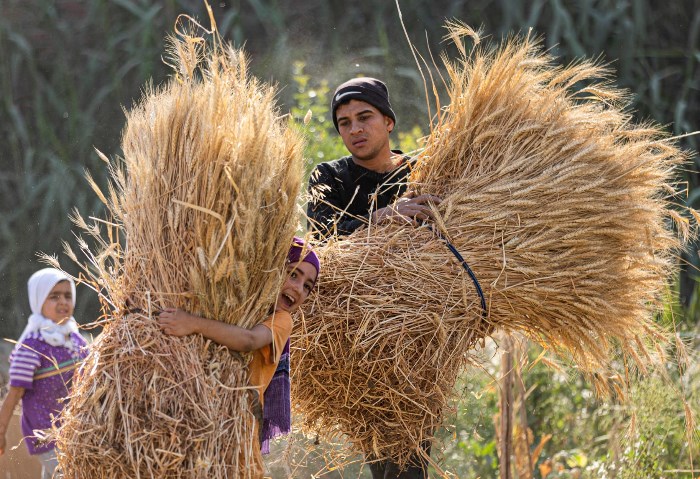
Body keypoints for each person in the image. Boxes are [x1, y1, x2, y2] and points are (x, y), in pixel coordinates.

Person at [307, 77, 440, 478]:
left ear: (389, 122)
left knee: (406, 460)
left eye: (365, 117)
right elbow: (321, 232)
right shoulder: (329, 176)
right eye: (344, 123)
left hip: (418, 333)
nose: (355, 130)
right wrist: (381, 217)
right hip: (352, 339)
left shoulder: (423, 172)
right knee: (392, 462)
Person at [157, 237, 320, 478]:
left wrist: (191, 323)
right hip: (200, 416)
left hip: (237, 433)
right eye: (293, 274)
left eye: (308, 285)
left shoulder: (283, 321)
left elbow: (249, 341)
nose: (298, 288)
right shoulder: (242, 302)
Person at [0, 268, 88, 479]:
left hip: (75, 430)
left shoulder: (75, 340)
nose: (63, 301)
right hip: (44, 433)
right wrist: (1, 431)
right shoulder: (32, 347)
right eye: (54, 296)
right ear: (38, 300)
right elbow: (15, 392)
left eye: (68, 295)